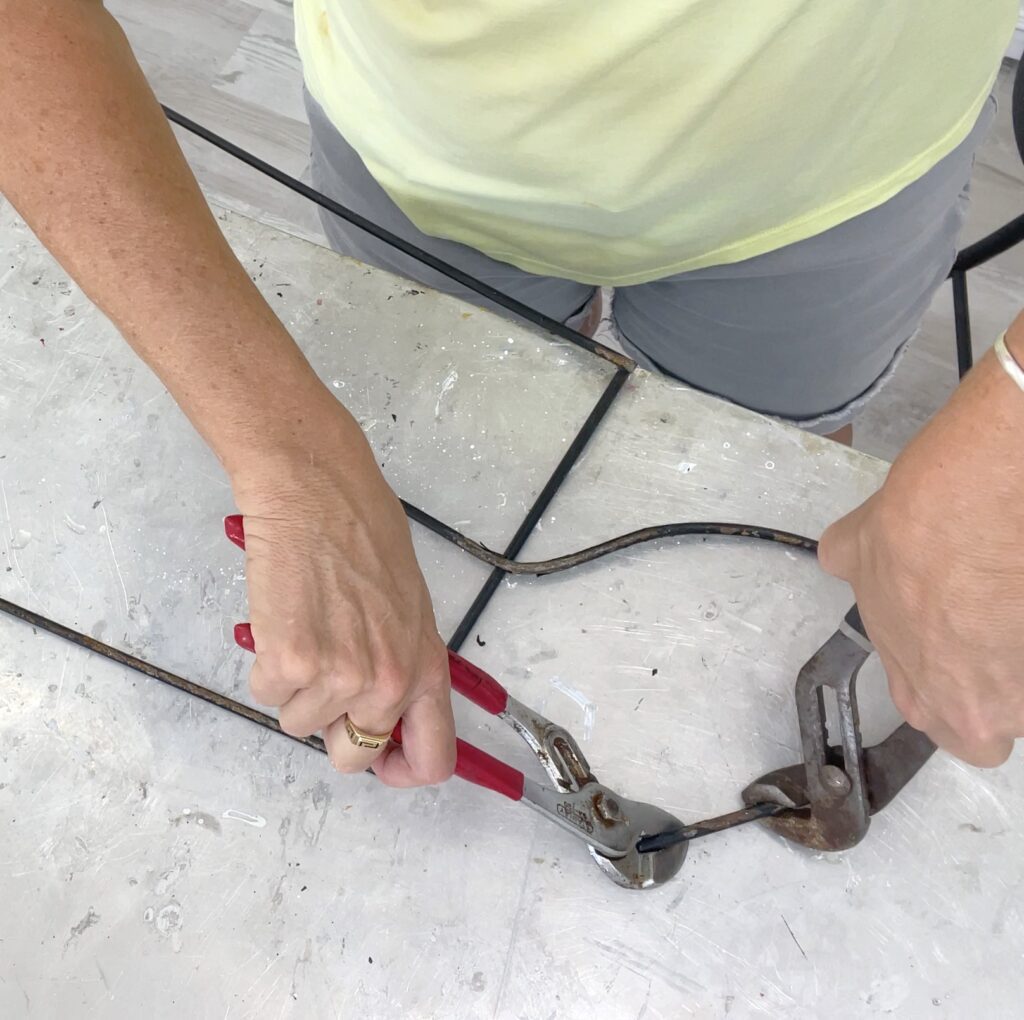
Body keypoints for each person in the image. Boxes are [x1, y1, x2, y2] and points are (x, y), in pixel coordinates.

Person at [1, 1, 1021, 786]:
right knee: (472, 454)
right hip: (420, 154)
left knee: (767, 490)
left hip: (842, 172)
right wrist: (290, 461)